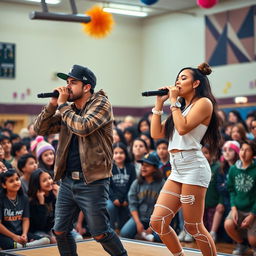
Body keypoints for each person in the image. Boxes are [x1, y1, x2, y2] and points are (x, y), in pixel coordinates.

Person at [33, 64, 127, 256]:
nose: (67, 87)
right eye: (66, 83)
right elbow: (40, 129)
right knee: (59, 230)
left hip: (92, 181)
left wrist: (62, 106)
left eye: (73, 82)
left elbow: (83, 127)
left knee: (100, 233)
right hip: (67, 181)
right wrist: (52, 105)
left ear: (86, 87)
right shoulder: (68, 109)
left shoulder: (101, 104)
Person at [149, 62, 220, 256]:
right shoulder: (179, 108)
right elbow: (156, 133)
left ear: (196, 83)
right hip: (177, 169)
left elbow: (183, 128)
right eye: (177, 79)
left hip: (193, 168)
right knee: (158, 221)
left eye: (183, 78)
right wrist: (158, 104)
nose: (178, 83)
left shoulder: (204, 103)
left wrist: (173, 102)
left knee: (193, 227)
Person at [120, 152, 164, 242]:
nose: (143, 168)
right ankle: (143, 234)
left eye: (147, 165)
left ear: (155, 168)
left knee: (160, 238)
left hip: (157, 220)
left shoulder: (163, 184)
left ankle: (143, 235)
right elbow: (132, 205)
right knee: (125, 234)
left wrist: (152, 228)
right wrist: (138, 223)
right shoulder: (136, 183)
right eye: (142, 165)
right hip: (139, 218)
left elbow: (162, 209)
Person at [0, 169, 50, 249]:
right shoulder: (1, 199)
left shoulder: (24, 198)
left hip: (20, 233)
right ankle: (24, 246)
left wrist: (24, 234)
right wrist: (14, 237)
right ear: (4, 185)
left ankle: (25, 246)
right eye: (11, 181)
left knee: (46, 240)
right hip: (5, 235)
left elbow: (26, 219)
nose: (16, 182)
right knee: (12, 244)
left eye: (17, 179)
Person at [224, 140, 256, 256]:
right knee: (228, 224)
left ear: (253, 154)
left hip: (253, 210)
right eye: (242, 149)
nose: (243, 153)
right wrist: (233, 208)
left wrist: (252, 214)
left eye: (247, 150)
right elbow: (231, 190)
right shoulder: (233, 169)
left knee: (253, 241)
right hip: (238, 208)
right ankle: (242, 244)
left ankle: (253, 246)